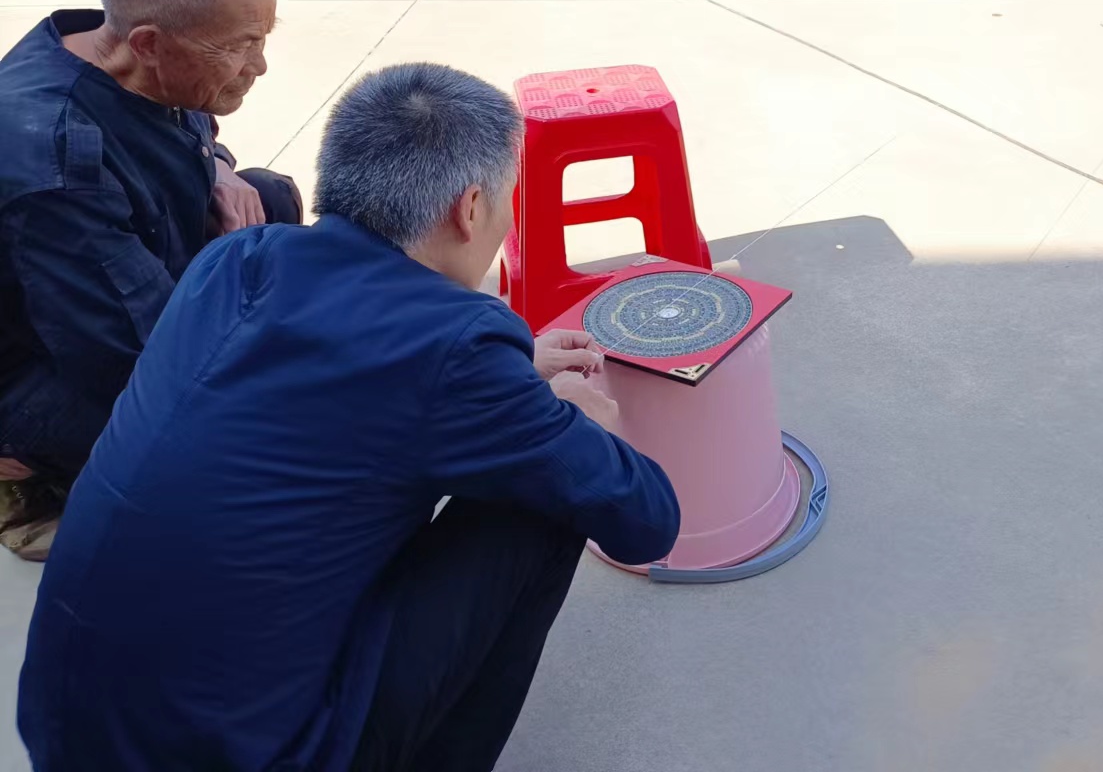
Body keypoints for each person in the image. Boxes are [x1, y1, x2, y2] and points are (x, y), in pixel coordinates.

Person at [19, 62, 681, 772]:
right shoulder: (456, 347)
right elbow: (644, 521)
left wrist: (513, 378)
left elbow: (354, 383)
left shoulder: (238, 258)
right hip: (255, 757)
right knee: (549, 498)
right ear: (469, 207)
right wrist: (585, 427)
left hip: (68, 731)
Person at [0, 0, 298, 561]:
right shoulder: (56, 162)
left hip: (98, 290)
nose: (260, 66)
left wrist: (216, 167)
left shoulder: (133, 60)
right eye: (241, 46)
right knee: (250, 444)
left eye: (263, 39)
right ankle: (39, 484)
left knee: (266, 197)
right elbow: (134, 354)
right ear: (149, 42)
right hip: (41, 367)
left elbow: (191, 129)